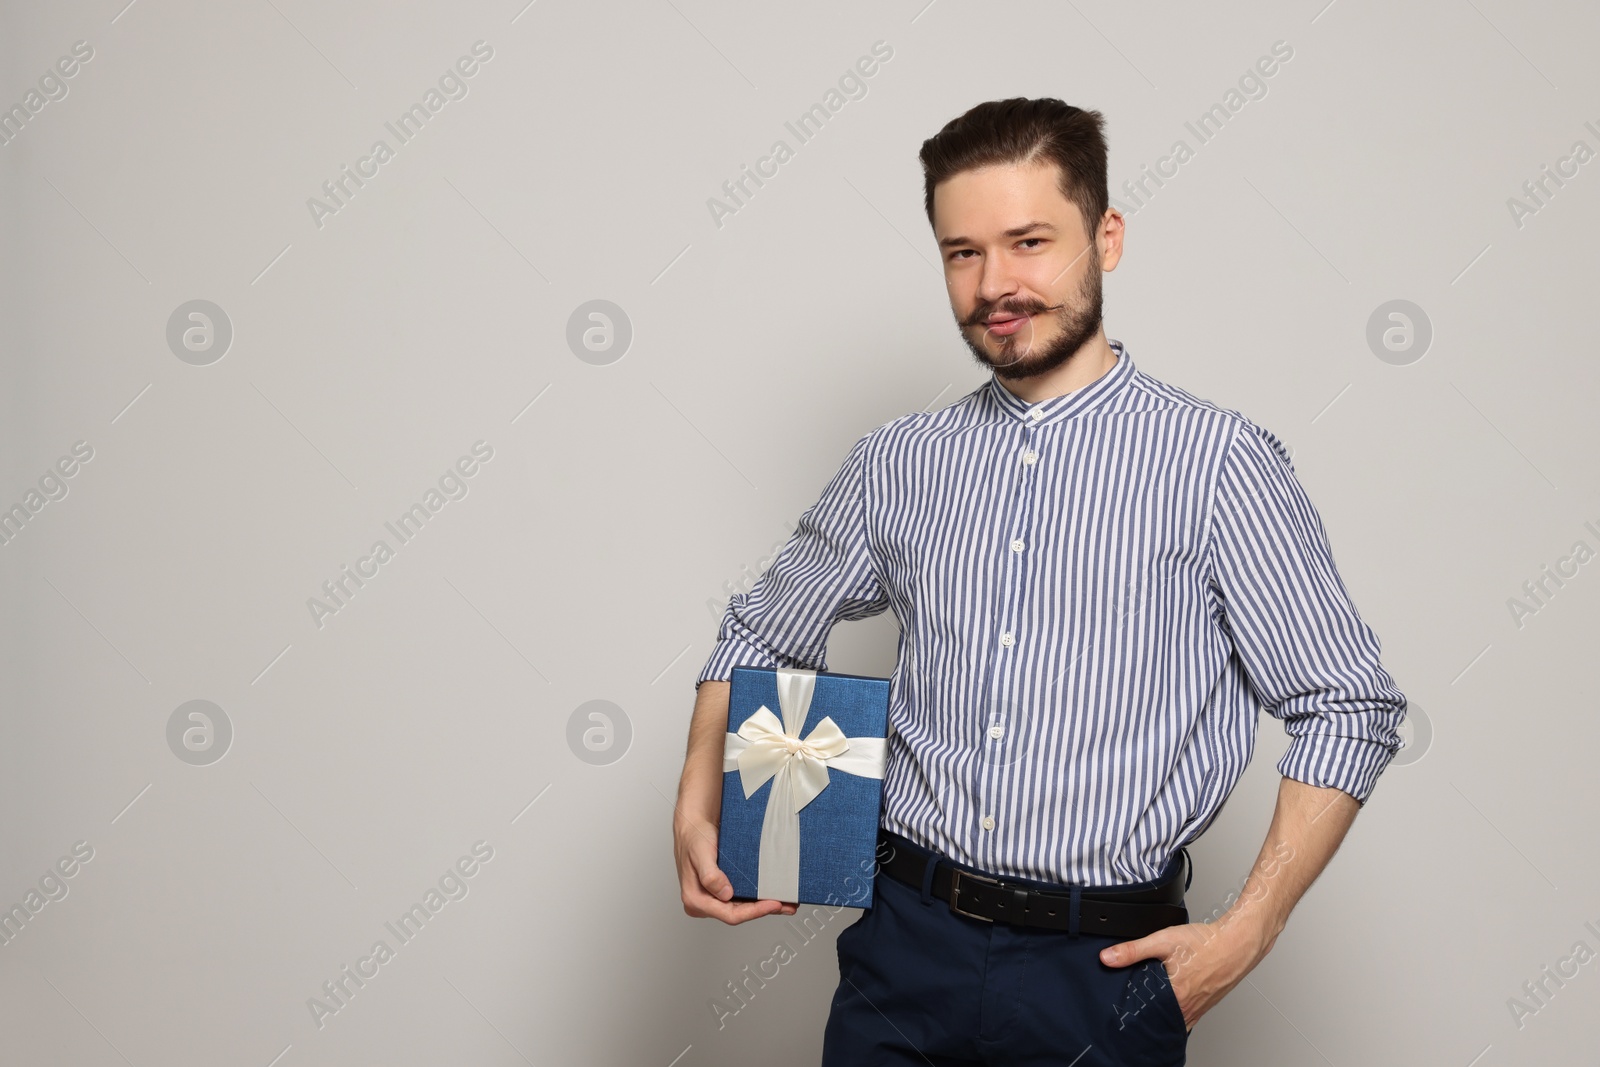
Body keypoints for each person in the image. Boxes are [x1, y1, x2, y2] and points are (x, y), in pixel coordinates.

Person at [672, 97, 1408, 1066]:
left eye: (1027, 241)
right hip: (902, 949)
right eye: (961, 251)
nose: (994, 283)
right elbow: (764, 629)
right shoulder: (897, 460)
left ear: (1105, 238)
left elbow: (1346, 701)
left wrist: (1245, 929)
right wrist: (696, 793)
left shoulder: (1218, 462)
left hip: (1098, 973)